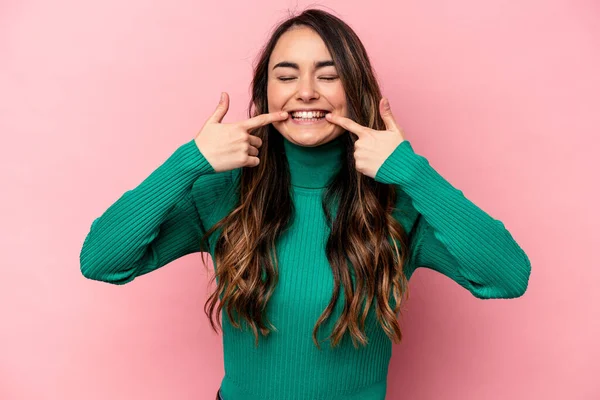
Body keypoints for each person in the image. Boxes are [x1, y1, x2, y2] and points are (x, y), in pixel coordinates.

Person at [79, 8, 531, 400]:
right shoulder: (223, 194)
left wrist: (413, 173)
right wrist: (188, 163)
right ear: (265, 94)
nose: (307, 91)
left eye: (329, 75)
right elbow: (101, 260)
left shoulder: (399, 204)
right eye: (287, 75)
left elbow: (508, 276)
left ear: (356, 91)